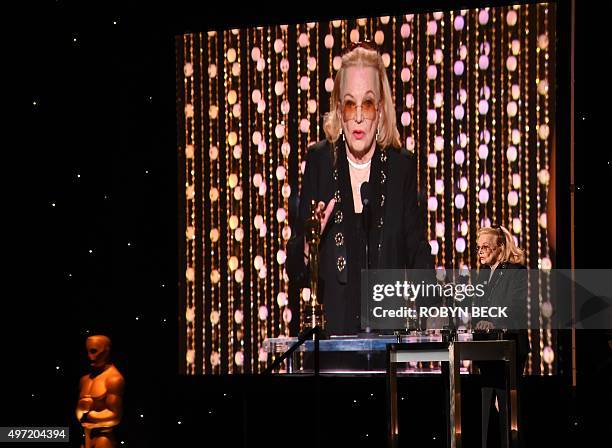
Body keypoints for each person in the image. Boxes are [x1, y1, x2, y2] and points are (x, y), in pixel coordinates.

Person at [287, 41, 432, 337]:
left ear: (379, 110)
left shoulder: (399, 168)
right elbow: (295, 270)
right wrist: (310, 242)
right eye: (350, 104)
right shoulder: (320, 162)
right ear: (339, 110)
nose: (358, 117)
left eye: (367, 104)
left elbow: (419, 256)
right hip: (330, 345)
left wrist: (435, 317)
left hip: (387, 347)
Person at [473, 225, 529, 448]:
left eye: (485, 247)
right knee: (484, 413)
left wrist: (494, 322)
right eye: (478, 248)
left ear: (501, 247)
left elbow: (516, 308)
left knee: (508, 412)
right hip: (486, 348)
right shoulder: (483, 274)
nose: (481, 252)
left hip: (509, 348)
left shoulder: (517, 272)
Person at [76, 334, 125, 448]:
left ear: (106, 351)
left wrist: (91, 416)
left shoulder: (114, 379)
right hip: (86, 437)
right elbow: (79, 416)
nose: (89, 356)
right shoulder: (84, 380)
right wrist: (80, 408)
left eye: (94, 351)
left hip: (104, 438)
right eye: (87, 351)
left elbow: (116, 416)